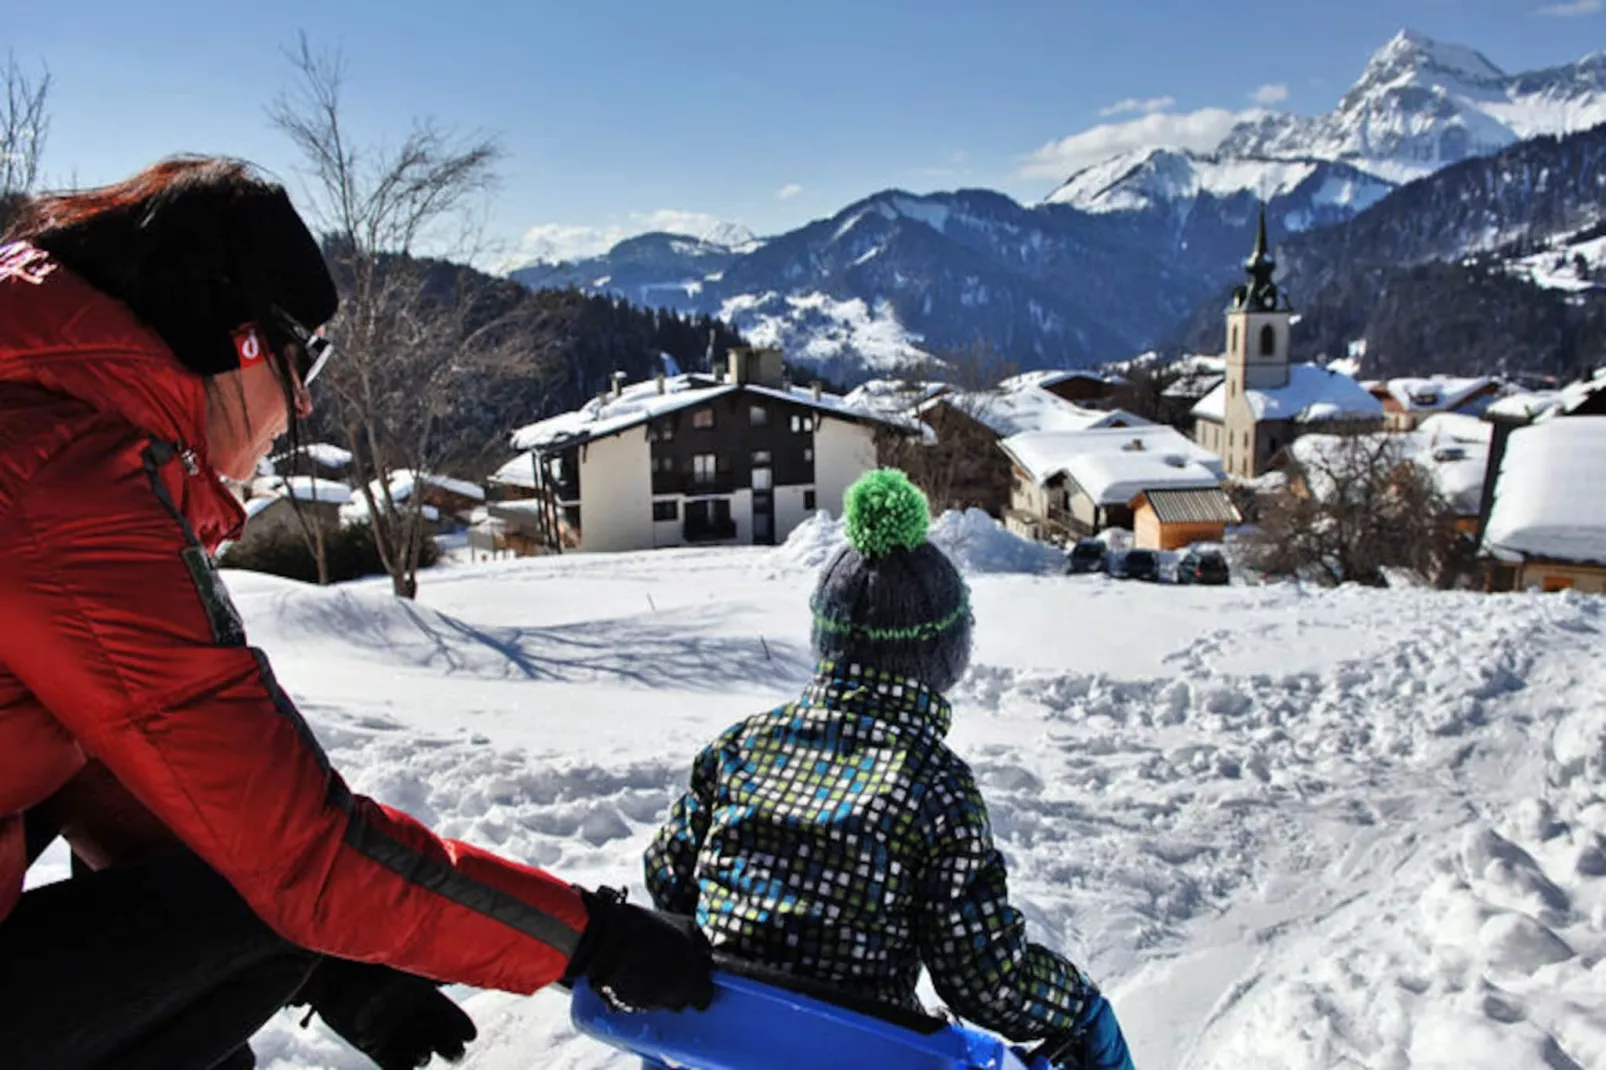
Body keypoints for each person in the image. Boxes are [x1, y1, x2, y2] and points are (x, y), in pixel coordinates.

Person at [0, 156, 713, 1070]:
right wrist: (595, 940)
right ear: (240, 341)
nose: (302, 403)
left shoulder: (33, 424)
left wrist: (333, 967)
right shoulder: (60, 484)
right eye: (306, 363)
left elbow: (113, 770)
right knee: (259, 895)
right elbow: (302, 855)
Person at [643, 469, 1135, 1070]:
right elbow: (984, 979)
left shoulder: (740, 749)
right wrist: (1080, 1005)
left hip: (706, 1053)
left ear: (827, 638)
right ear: (944, 656)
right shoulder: (934, 788)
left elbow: (668, 875)